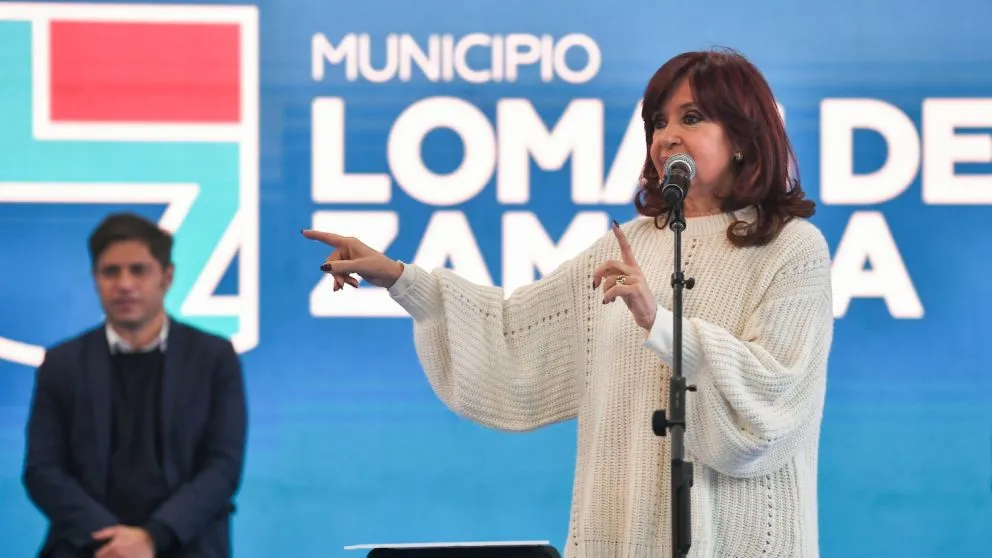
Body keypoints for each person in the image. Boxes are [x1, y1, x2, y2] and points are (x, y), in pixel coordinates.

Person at [303, 48, 833, 557]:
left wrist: (661, 324)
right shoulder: (626, 246)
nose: (667, 136)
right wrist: (402, 279)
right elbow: (513, 338)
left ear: (743, 136)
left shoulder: (791, 249)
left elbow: (773, 397)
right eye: (657, 121)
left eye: (691, 118)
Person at [22, 213, 248, 558]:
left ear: (167, 277)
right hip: (89, 545)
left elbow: (222, 468)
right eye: (110, 272)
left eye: (139, 270)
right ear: (95, 279)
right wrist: (114, 541)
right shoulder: (62, 364)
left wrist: (153, 537)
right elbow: (43, 470)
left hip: (185, 544)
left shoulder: (213, 357)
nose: (124, 284)